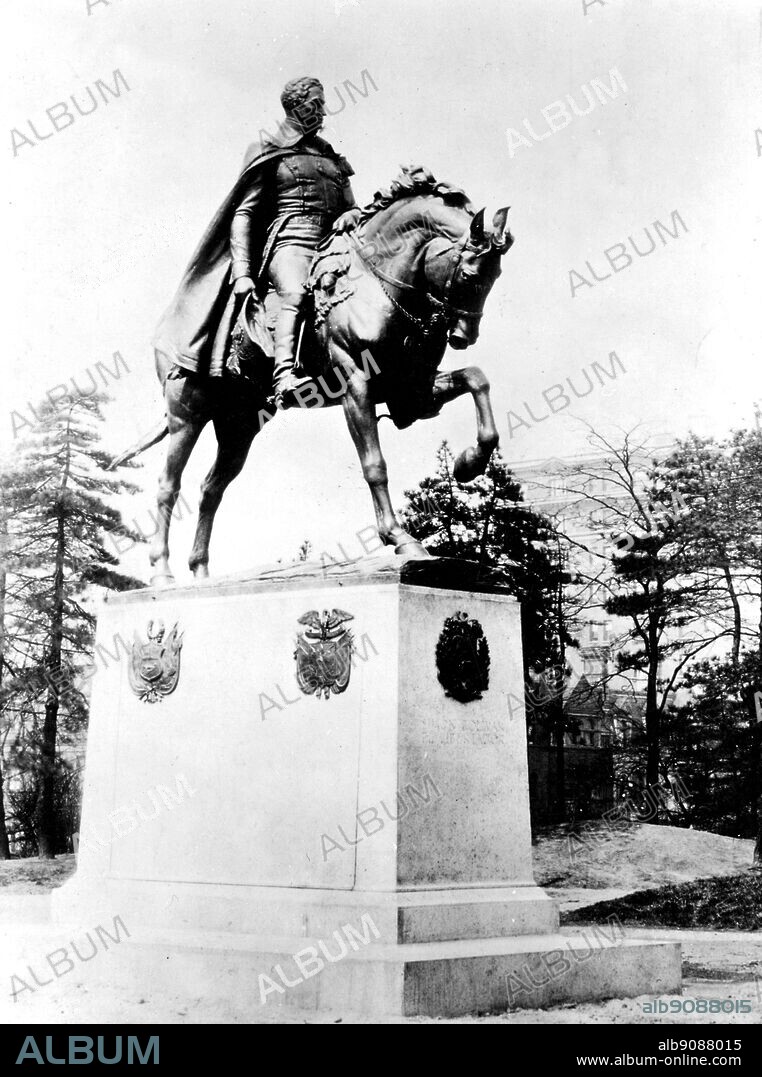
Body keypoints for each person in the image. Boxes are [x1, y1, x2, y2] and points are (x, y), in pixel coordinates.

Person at [153, 76, 361, 408]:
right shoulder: (267, 150)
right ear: (296, 106)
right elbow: (244, 213)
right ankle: (284, 377)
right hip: (290, 244)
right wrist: (244, 272)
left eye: (323, 103)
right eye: (316, 103)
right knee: (295, 292)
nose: (323, 110)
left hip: (333, 247)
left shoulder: (331, 157)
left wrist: (351, 214)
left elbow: (351, 206)